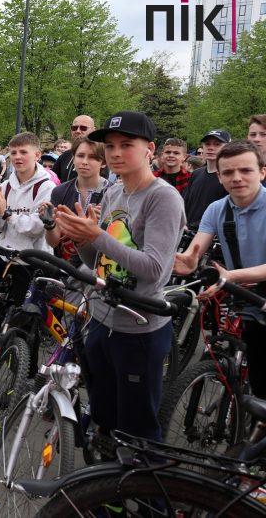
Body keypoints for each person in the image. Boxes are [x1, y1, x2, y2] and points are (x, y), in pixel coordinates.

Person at [56, 110, 185, 442]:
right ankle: (105, 485)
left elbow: (155, 270)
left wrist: (96, 236)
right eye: (110, 146)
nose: (115, 153)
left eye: (126, 144)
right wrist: (81, 238)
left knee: (137, 428)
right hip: (101, 318)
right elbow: (99, 260)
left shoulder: (163, 197)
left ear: (149, 149)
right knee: (104, 413)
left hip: (137, 328)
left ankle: (146, 492)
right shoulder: (114, 192)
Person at [174, 140, 266, 398]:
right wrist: (187, 260)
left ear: (262, 172)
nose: (236, 178)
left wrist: (231, 276)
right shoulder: (216, 209)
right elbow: (196, 248)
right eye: (227, 172)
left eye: (245, 170)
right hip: (241, 293)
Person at [41, 136, 107, 268]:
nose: (84, 162)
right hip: (63, 269)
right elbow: (53, 243)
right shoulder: (59, 191)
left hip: (97, 270)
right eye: (80, 155)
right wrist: (49, 223)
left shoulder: (111, 193)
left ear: (104, 162)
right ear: (73, 158)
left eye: (93, 157)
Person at [0, 132, 55, 253]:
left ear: (37, 155)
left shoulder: (47, 187)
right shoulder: (5, 186)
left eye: (23, 152)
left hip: (33, 259)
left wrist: (7, 214)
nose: (17, 157)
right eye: (13, 153)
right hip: (5, 254)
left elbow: (36, 228)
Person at [182, 129, 231, 229]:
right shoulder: (196, 173)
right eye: (207, 144)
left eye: (217, 144)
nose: (211, 148)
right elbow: (184, 203)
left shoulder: (230, 177)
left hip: (213, 235)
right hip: (188, 233)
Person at [53, 115, 97, 182]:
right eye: (74, 128)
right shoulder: (65, 155)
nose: (78, 131)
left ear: (93, 130)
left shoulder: (99, 155)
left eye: (83, 128)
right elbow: (53, 178)